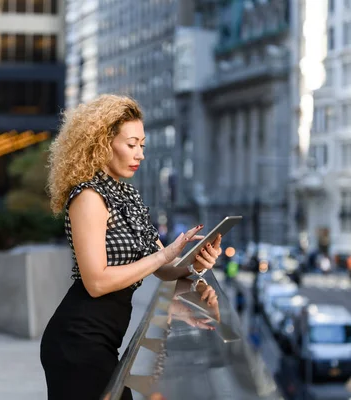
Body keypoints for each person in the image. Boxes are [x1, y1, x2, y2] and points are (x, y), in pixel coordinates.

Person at [40, 95, 223, 400]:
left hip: (102, 342)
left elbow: (163, 269)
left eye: (143, 145)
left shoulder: (129, 197)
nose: (140, 154)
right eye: (131, 144)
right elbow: (96, 283)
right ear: (102, 143)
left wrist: (197, 262)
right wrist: (164, 254)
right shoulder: (88, 197)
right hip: (76, 342)